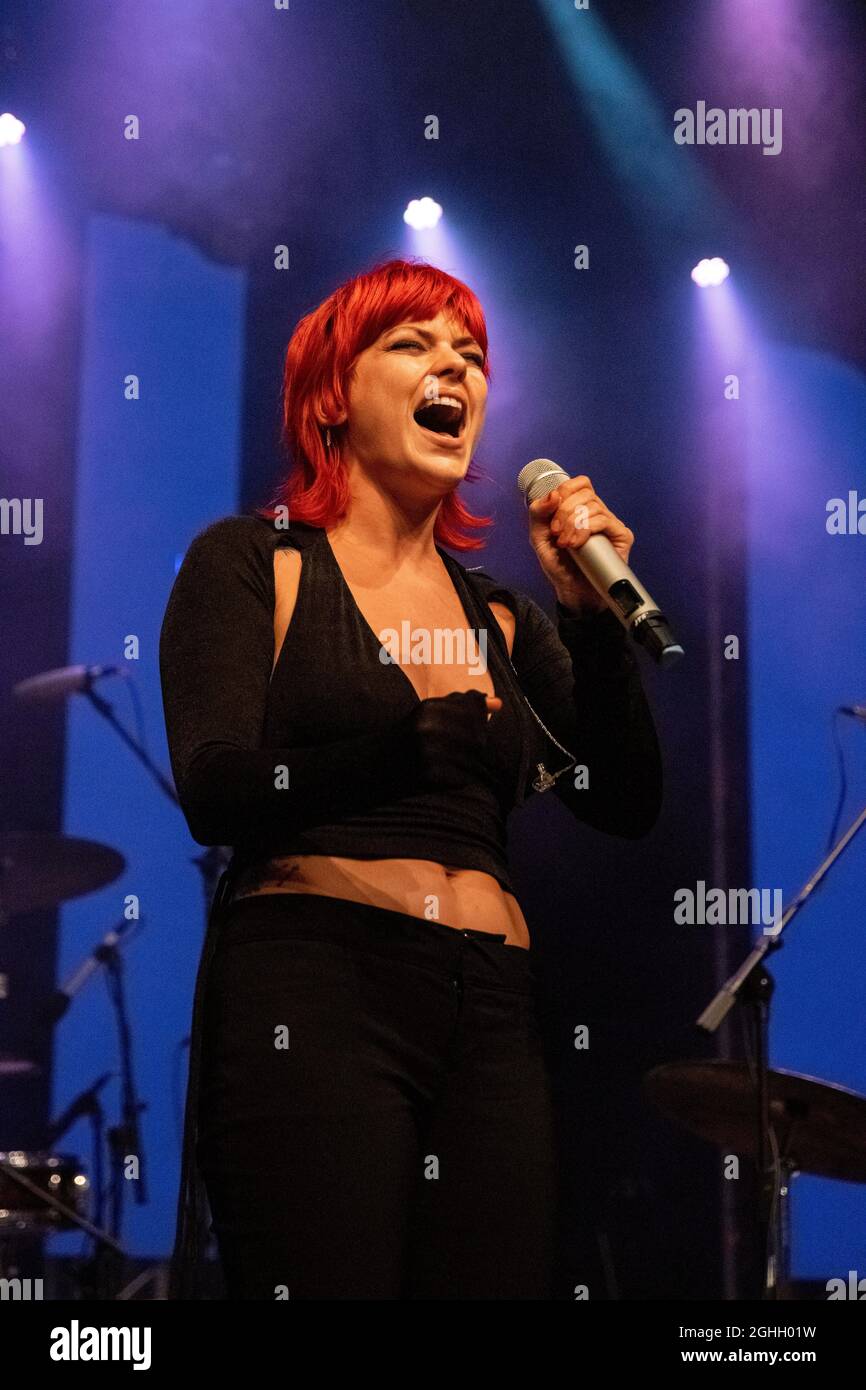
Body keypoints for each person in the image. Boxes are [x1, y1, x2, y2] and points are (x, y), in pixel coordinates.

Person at [159, 257, 662, 1300]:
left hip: (490, 1010)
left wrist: (587, 619)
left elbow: (622, 801)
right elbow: (214, 786)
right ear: (333, 395)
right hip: (317, 987)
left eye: (469, 354)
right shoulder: (259, 565)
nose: (454, 367)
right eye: (414, 344)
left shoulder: (502, 618)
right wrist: (395, 753)